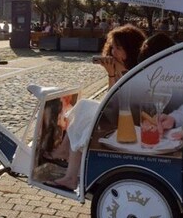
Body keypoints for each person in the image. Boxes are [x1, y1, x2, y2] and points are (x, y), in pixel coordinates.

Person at [45, 25, 146, 192]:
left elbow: (115, 102)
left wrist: (115, 73)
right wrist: (111, 74)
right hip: (117, 113)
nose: (113, 52)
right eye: (112, 47)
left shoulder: (136, 70)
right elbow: (110, 98)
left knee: (87, 119)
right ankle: (66, 157)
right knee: (84, 106)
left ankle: (68, 169)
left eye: (118, 48)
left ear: (130, 49)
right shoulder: (120, 67)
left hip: (129, 120)